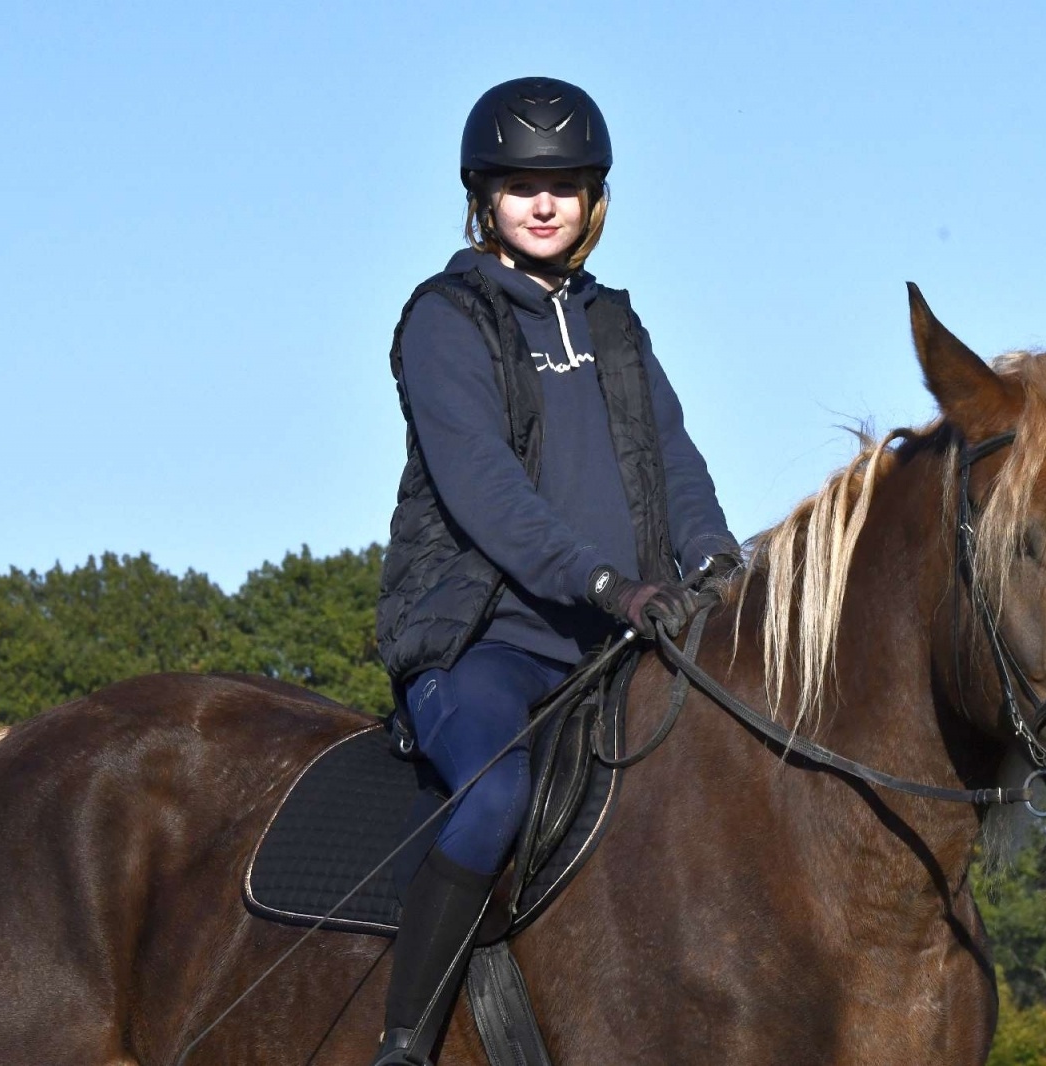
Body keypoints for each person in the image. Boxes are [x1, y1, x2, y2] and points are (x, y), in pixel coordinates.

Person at [372, 76, 739, 1064]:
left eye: (565, 187)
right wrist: (606, 584)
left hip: (618, 645)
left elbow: (673, 461)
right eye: (521, 186)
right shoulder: (444, 319)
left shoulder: (614, 323)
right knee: (495, 796)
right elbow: (487, 491)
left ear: (593, 199)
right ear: (482, 196)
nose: (544, 204)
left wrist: (716, 562)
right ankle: (405, 1041)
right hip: (486, 641)